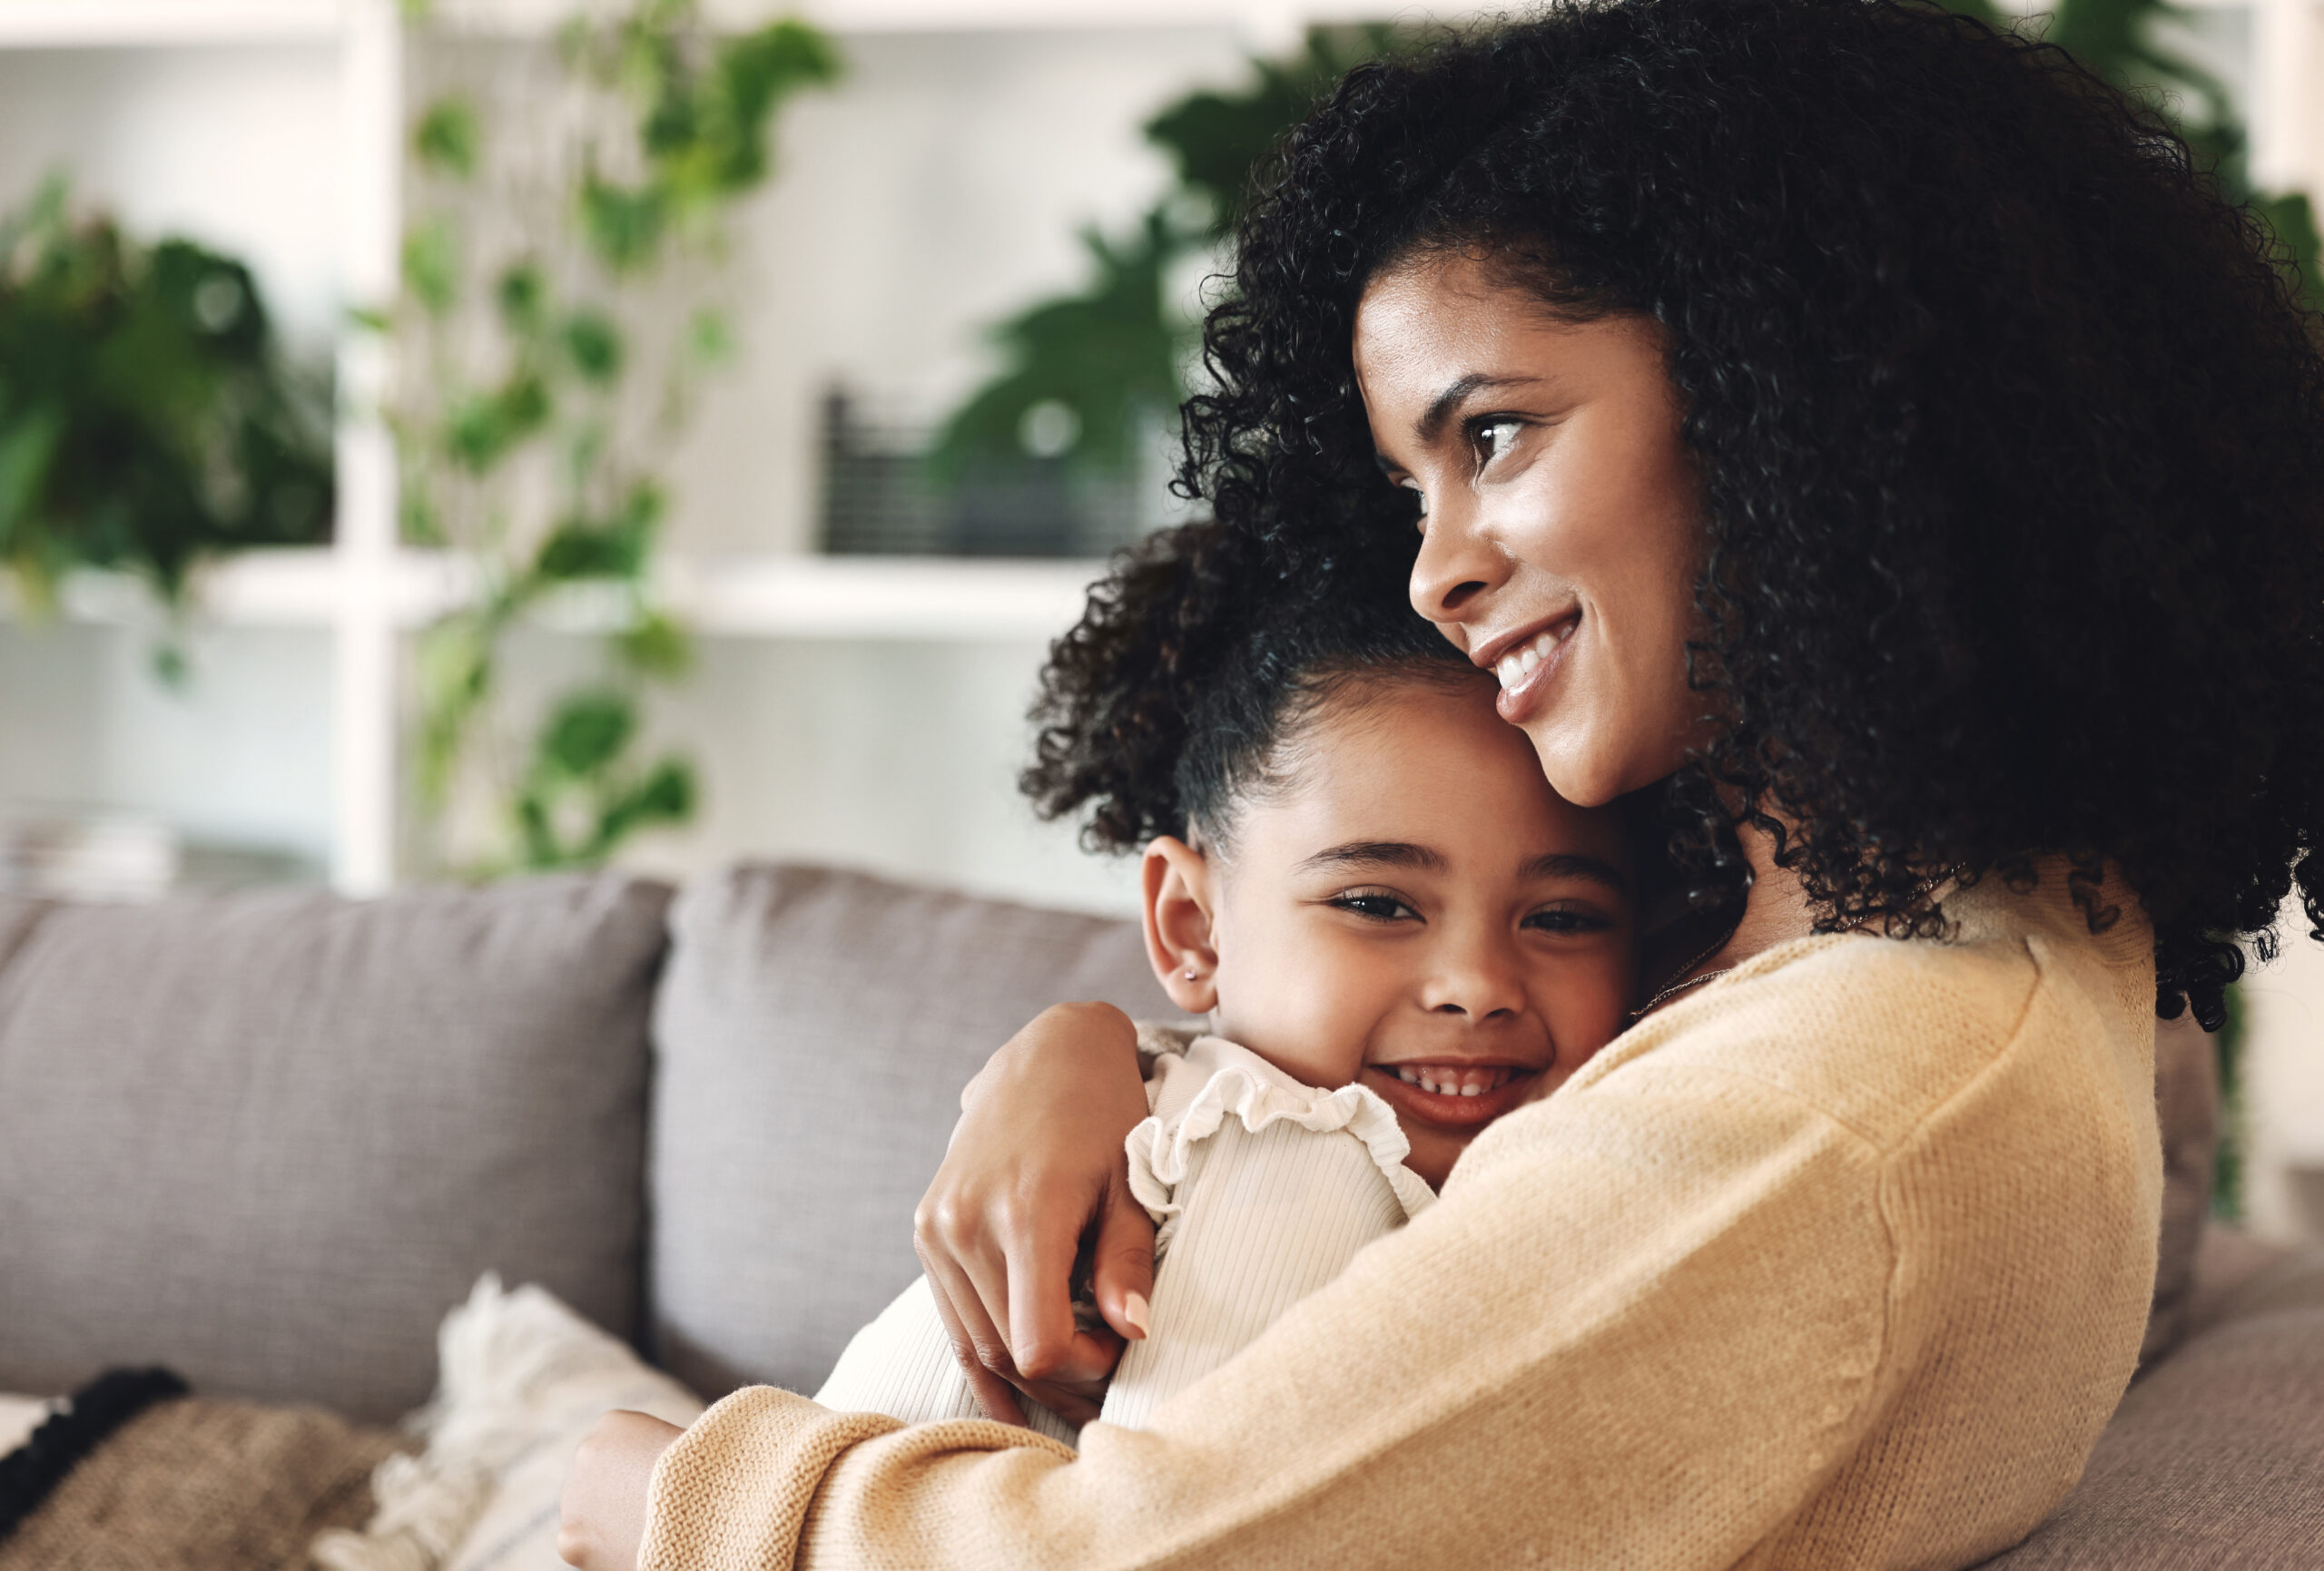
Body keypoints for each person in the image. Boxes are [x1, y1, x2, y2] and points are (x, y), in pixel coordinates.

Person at [560, 0, 2324, 1566]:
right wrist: (1093, 1052)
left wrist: (651, 1489)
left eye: (1490, 434)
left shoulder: (1847, 1108)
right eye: (1413, 485)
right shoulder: (1872, 933)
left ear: (1780, 386)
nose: (1434, 570)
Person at [809, 522, 1636, 1446]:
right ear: (1192, 928)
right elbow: (1180, 1536)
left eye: (1562, 918)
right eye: (1376, 903)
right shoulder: (1288, 1150)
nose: (1476, 986)